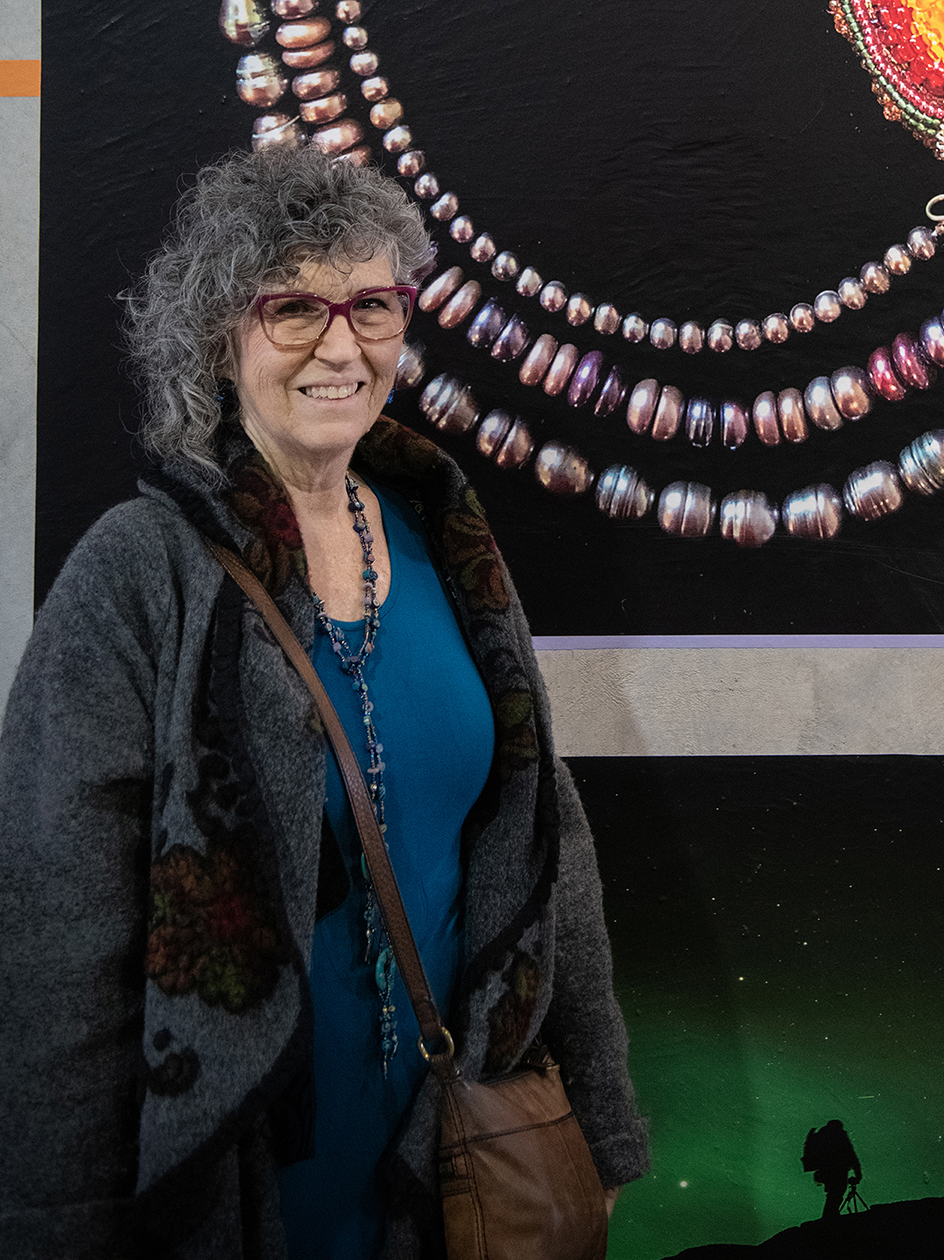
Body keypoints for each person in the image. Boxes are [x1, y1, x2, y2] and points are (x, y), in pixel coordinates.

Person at [0, 147, 649, 1259]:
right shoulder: (140, 573)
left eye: (371, 305)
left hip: (449, 1160)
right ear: (220, 333)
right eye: (293, 307)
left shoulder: (444, 534)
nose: (341, 345)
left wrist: (601, 1124)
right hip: (246, 1172)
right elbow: (53, 939)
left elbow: (550, 844)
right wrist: (54, 1228)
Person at [801, 1119, 863, 1218]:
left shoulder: (821, 1136)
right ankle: (829, 1217)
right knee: (836, 1194)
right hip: (838, 1170)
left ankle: (829, 1216)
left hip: (825, 1171)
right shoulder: (840, 1136)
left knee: (833, 1194)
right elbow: (851, 1154)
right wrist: (858, 1174)